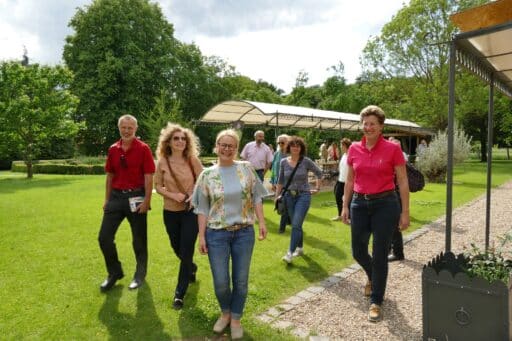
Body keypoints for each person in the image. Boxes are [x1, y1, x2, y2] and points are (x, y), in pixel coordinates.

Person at [192, 129, 268, 339]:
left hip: (244, 233)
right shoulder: (207, 175)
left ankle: (235, 318)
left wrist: (261, 222)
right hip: (217, 234)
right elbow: (202, 209)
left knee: (241, 280)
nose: (227, 149)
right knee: (221, 281)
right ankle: (225, 313)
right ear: (216, 147)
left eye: (231, 146)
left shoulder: (247, 169)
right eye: (223, 145)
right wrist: (201, 236)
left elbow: (257, 198)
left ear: (237, 149)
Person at [341, 105, 409, 322]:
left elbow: (403, 180)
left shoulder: (392, 149)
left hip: (386, 205)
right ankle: (373, 276)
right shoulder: (353, 149)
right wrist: (344, 206)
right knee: (358, 251)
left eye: (372, 124)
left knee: (380, 254)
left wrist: (405, 211)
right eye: (365, 123)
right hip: (359, 204)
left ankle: (376, 301)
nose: (368, 127)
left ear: (381, 127)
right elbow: (350, 180)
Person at [98, 114, 155, 292]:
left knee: (139, 240)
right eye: (124, 127)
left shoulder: (144, 149)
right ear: (119, 128)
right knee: (104, 238)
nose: (127, 130)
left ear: (135, 129)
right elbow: (110, 176)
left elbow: (148, 176)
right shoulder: (113, 149)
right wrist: (107, 200)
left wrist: (147, 201)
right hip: (116, 198)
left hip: (136, 197)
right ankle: (114, 273)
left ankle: (140, 274)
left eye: (130, 127)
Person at [154, 123, 204, 309]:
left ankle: (179, 294)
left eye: (183, 138)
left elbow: (204, 180)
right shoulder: (162, 162)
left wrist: (193, 196)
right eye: (176, 138)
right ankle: (192, 267)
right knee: (177, 247)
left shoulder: (193, 160)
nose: (180, 141)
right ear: (168, 141)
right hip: (170, 211)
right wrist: (173, 195)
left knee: (186, 250)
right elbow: (157, 186)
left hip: (191, 211)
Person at [276, 136, 323, 264]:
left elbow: (319, 173)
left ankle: (289, 253)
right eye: (293, 145)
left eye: (298, 145)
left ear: (301, 148)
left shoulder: (306, 161)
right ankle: (300, 248)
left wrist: (318, 188)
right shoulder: (283, 162)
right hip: (288, 196)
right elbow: (280, 181)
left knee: (295, 224)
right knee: (297, 225)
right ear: (289, 147)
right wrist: (277, 196)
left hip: (303, 195)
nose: (295, 147)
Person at [270, 134, 290, 233]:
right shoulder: (276, 154)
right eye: (279, 143)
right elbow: (273, 168)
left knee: (285, 204)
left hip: (288, 183)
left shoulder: (291, 154)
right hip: (278, 183)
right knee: (283, 203)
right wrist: (273, 182)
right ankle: (287, 223)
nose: (280, 144)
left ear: (287, 143)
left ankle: (282, 228)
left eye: (282, 142)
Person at [331, 138, 352, 221]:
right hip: (340, 180)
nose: (340, 146)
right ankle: (340, 215)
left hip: (348, 181)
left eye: (341, 145)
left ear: (344, 145)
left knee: (348, 199)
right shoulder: (344, 155)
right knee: (337, 196)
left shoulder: (351, 155)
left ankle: (349, 217)